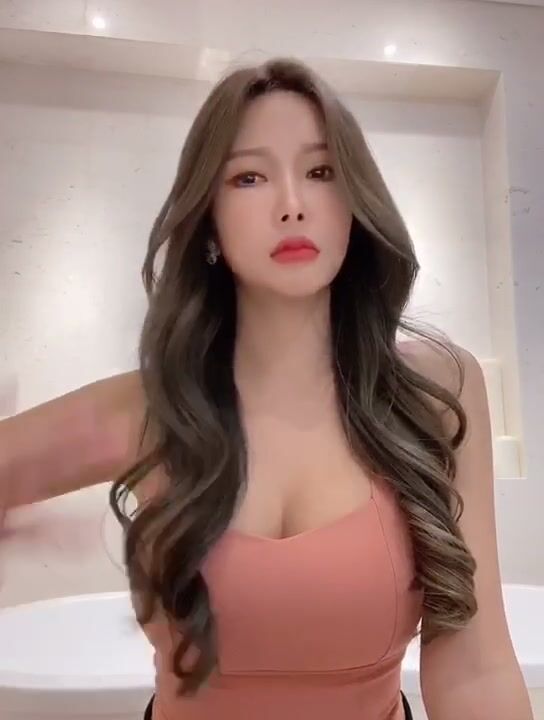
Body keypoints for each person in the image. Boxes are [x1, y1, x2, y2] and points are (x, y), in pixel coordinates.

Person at [0, 57, 533, 720]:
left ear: (354, 204)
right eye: (249, 177)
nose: (292, 204)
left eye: (321, 172)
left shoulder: (433, 390)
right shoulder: (149, 408)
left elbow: (476, 670)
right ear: (210, 221)